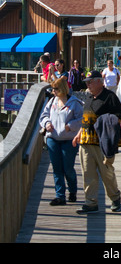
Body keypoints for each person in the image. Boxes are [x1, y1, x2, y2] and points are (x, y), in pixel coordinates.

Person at [72, 70, 121, 214]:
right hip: (86, 140)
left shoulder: (110, 97)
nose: (88, 84)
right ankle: (91, 203)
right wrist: (78, 134)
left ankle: (115, 198)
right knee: (88, 173)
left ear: (99, 82)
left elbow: (119, 117)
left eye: (90, 81)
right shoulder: (89, 98)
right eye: (87, 82)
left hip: (103, 143)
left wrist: (105, 123)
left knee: (106, 173)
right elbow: (85, 121)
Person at [39, 77, 83, 205]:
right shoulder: (52, 101)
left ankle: (73, 190)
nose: (54, 91)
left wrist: (71, 125)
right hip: (53, 138)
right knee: (57, 168)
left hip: (69, 139)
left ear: (63, 88)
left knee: (68, 168)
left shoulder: (75, 103)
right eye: (53, 89)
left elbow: (82, 119)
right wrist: (46, 123)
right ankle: (60, 196)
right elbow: (44, 115)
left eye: (56, 89)